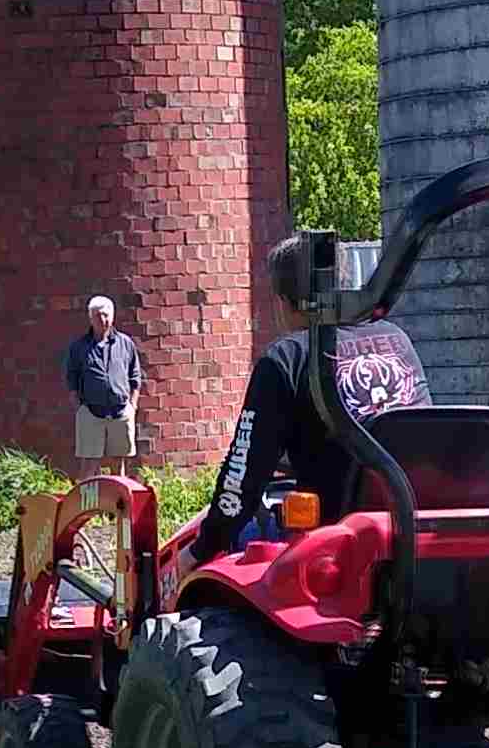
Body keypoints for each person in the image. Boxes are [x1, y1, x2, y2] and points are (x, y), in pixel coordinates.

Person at [191, 232, 430, 559]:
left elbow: (242, 476)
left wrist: (200, 550)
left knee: (233, 535)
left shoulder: (286, 359)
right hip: (414, 525)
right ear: (347, 285)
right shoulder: (397, 338)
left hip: (335, 543)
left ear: (284, 302)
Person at [62, 292, 142, 464]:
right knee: (89, 465)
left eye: (106, 315)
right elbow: (71, 378)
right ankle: (90, 492)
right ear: (91, 319)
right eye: (98, 316)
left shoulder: (125, 343)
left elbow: (135, 375)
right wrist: (78, 406)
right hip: (91, 412)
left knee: (118, 463)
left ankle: (116, 492)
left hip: (120, 411)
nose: (102, 320)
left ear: (112, 317)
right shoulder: (79, 347)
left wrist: (132, 405)